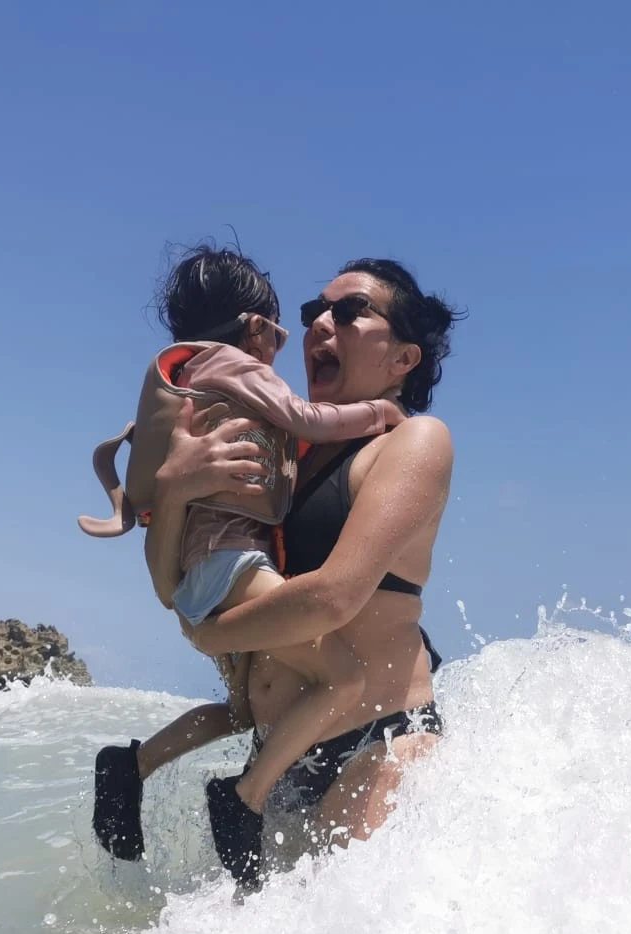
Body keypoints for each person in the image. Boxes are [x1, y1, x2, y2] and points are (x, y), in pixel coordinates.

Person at [93, 258, 459, 889]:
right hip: (277, 760)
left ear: (404, 358)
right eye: (313, 311)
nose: (320, 324)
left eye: (348, 312)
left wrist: (211, 636)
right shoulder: (280, 460)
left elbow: (334, 598)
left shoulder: (413, 441)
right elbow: (170, 591)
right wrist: (176, 493)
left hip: (374, 743)